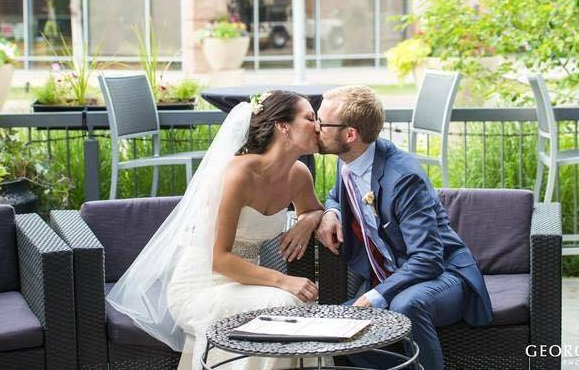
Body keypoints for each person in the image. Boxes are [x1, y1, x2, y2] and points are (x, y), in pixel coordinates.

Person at [107, 91, 326, 370]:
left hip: (247, 282)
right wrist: (284, 280)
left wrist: (308, 220)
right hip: (202, 284)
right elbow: (218, 259)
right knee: (284, 300)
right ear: (283, 126)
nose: (318, 126)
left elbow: (312, 209)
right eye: (310, 118)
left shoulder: (299, 175)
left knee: (292, 302)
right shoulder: (239, 175)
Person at [315, 85, 493, 370]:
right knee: (340, 326)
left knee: (405, 306)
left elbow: (428, 258)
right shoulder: (348, 160)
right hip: (394, 275)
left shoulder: (403, 178)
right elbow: (338, 193)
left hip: (445, 274)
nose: (315, 127)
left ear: (350, 134)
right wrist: (332, 211)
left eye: (322, 123)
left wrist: (375, 296)